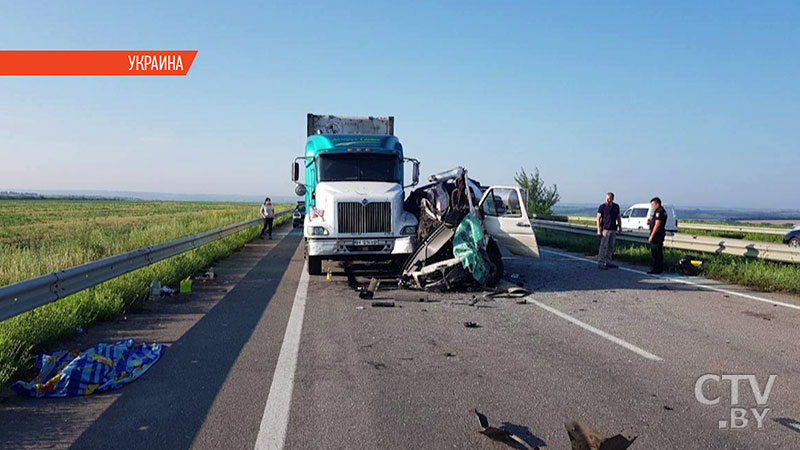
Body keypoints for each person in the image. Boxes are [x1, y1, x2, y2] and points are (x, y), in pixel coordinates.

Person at [596, 192, 622, 269]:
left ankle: (608, 262)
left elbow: (618, 217)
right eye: (607, 198)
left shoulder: (616, 207)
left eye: (609, 198)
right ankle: (601, 262)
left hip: (613, 228)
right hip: (605, 229)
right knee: (603, 246)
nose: (608, 200)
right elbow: (598, 218)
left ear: (612, 199)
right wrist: (598, 230)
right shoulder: (602, 207)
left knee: (611, 246)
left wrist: (620, 227)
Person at [647, 196, 667, 274]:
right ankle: (658, 268)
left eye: (653, 205)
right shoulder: (662, 211)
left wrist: (652, 235)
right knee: (658, 252)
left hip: (657, 235)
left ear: (657, 204)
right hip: (659, 234)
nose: (652, 206)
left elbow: (657, 225)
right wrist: (650, 222)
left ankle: (656, 269)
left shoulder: (659, 211)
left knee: (656, 252)